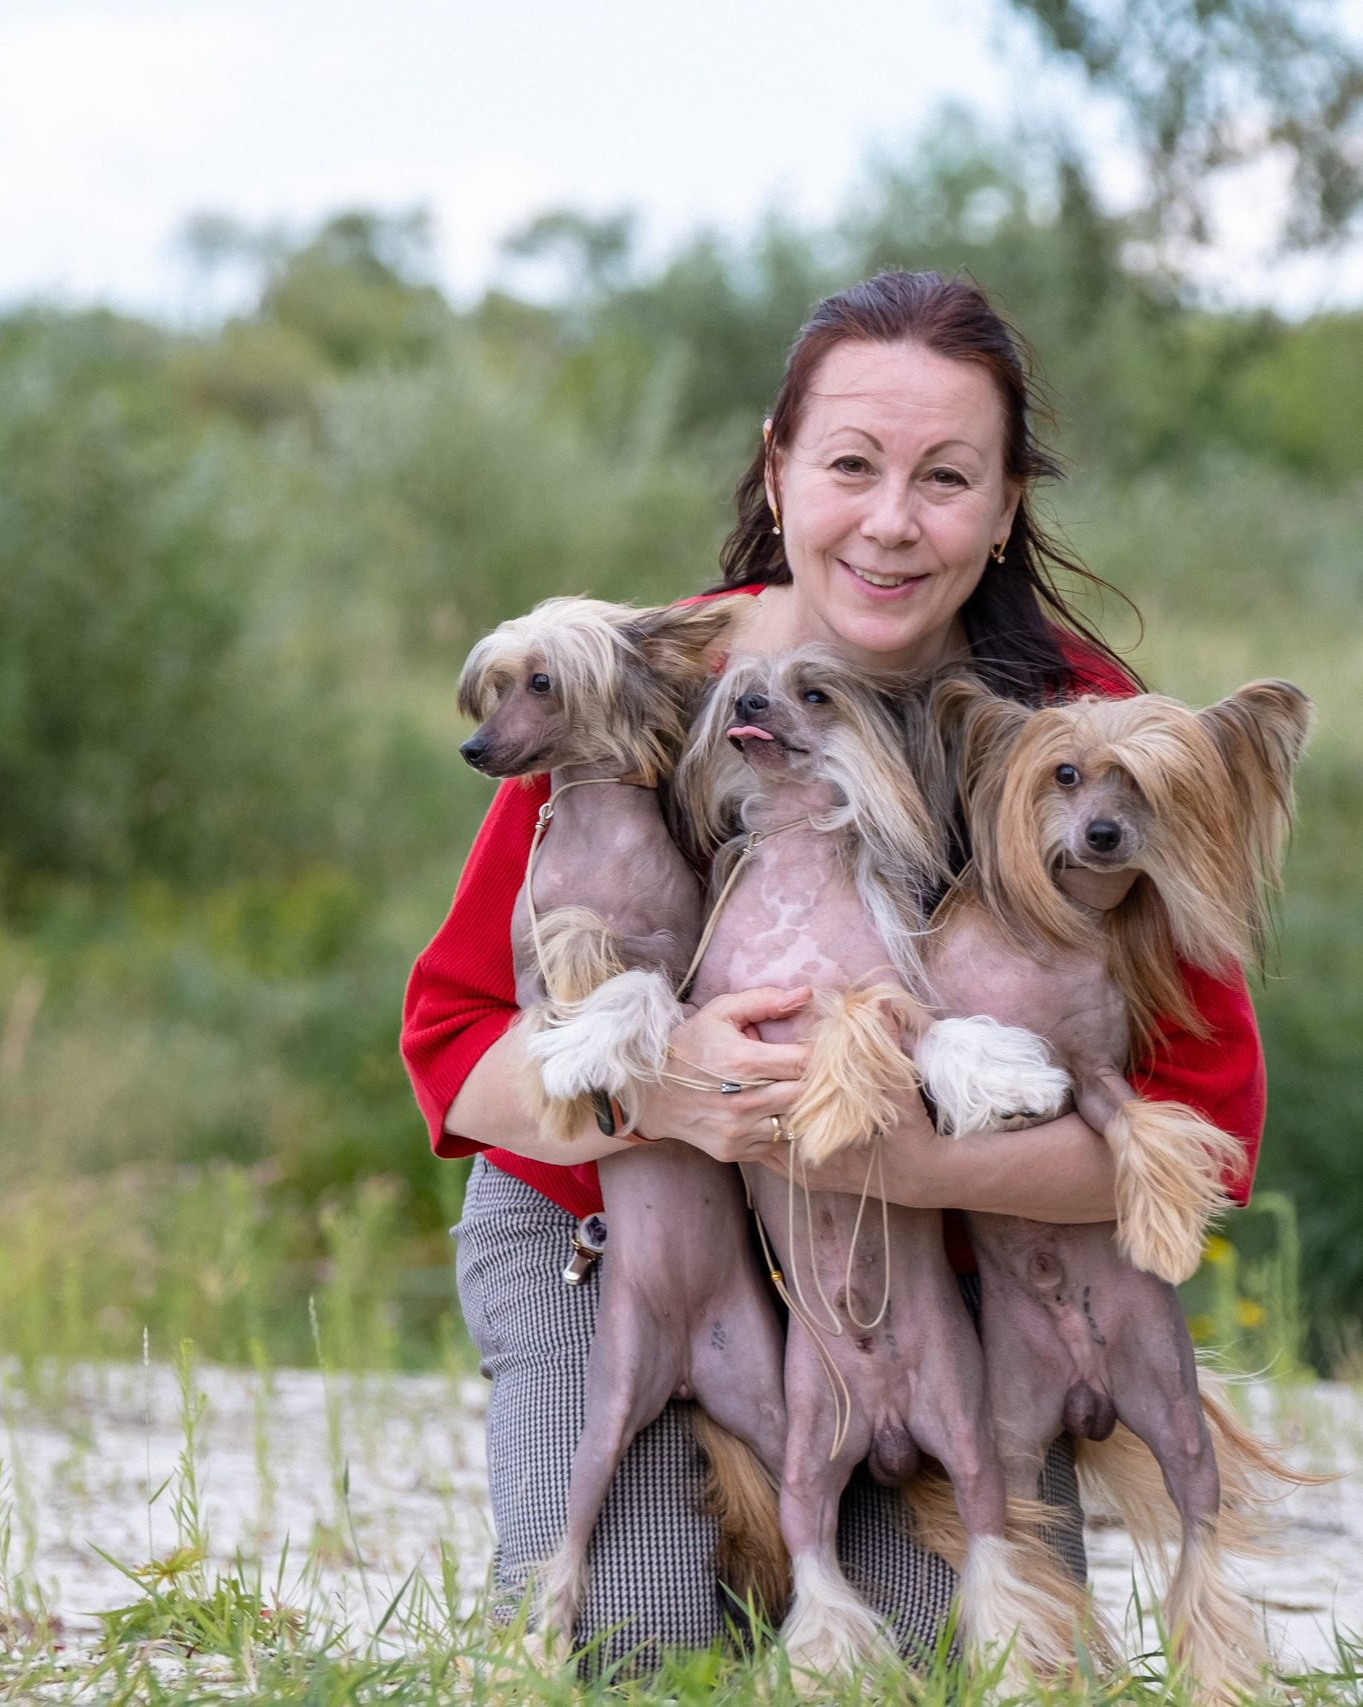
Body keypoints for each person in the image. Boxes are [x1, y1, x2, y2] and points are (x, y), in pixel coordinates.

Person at [400, 270, 1268, 1667]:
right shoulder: (630, 676)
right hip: (620, 1240)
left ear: (1003, 510)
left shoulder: (1082, 737)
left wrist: (909, 1167)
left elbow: (1206, 1122)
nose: (891, 520)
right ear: (779, 467)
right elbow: (452, 1040)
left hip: (914, 1263)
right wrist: (667, 1091)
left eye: (946, 477)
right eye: (851, 465)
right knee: (642, 1643)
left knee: (954, 1662)